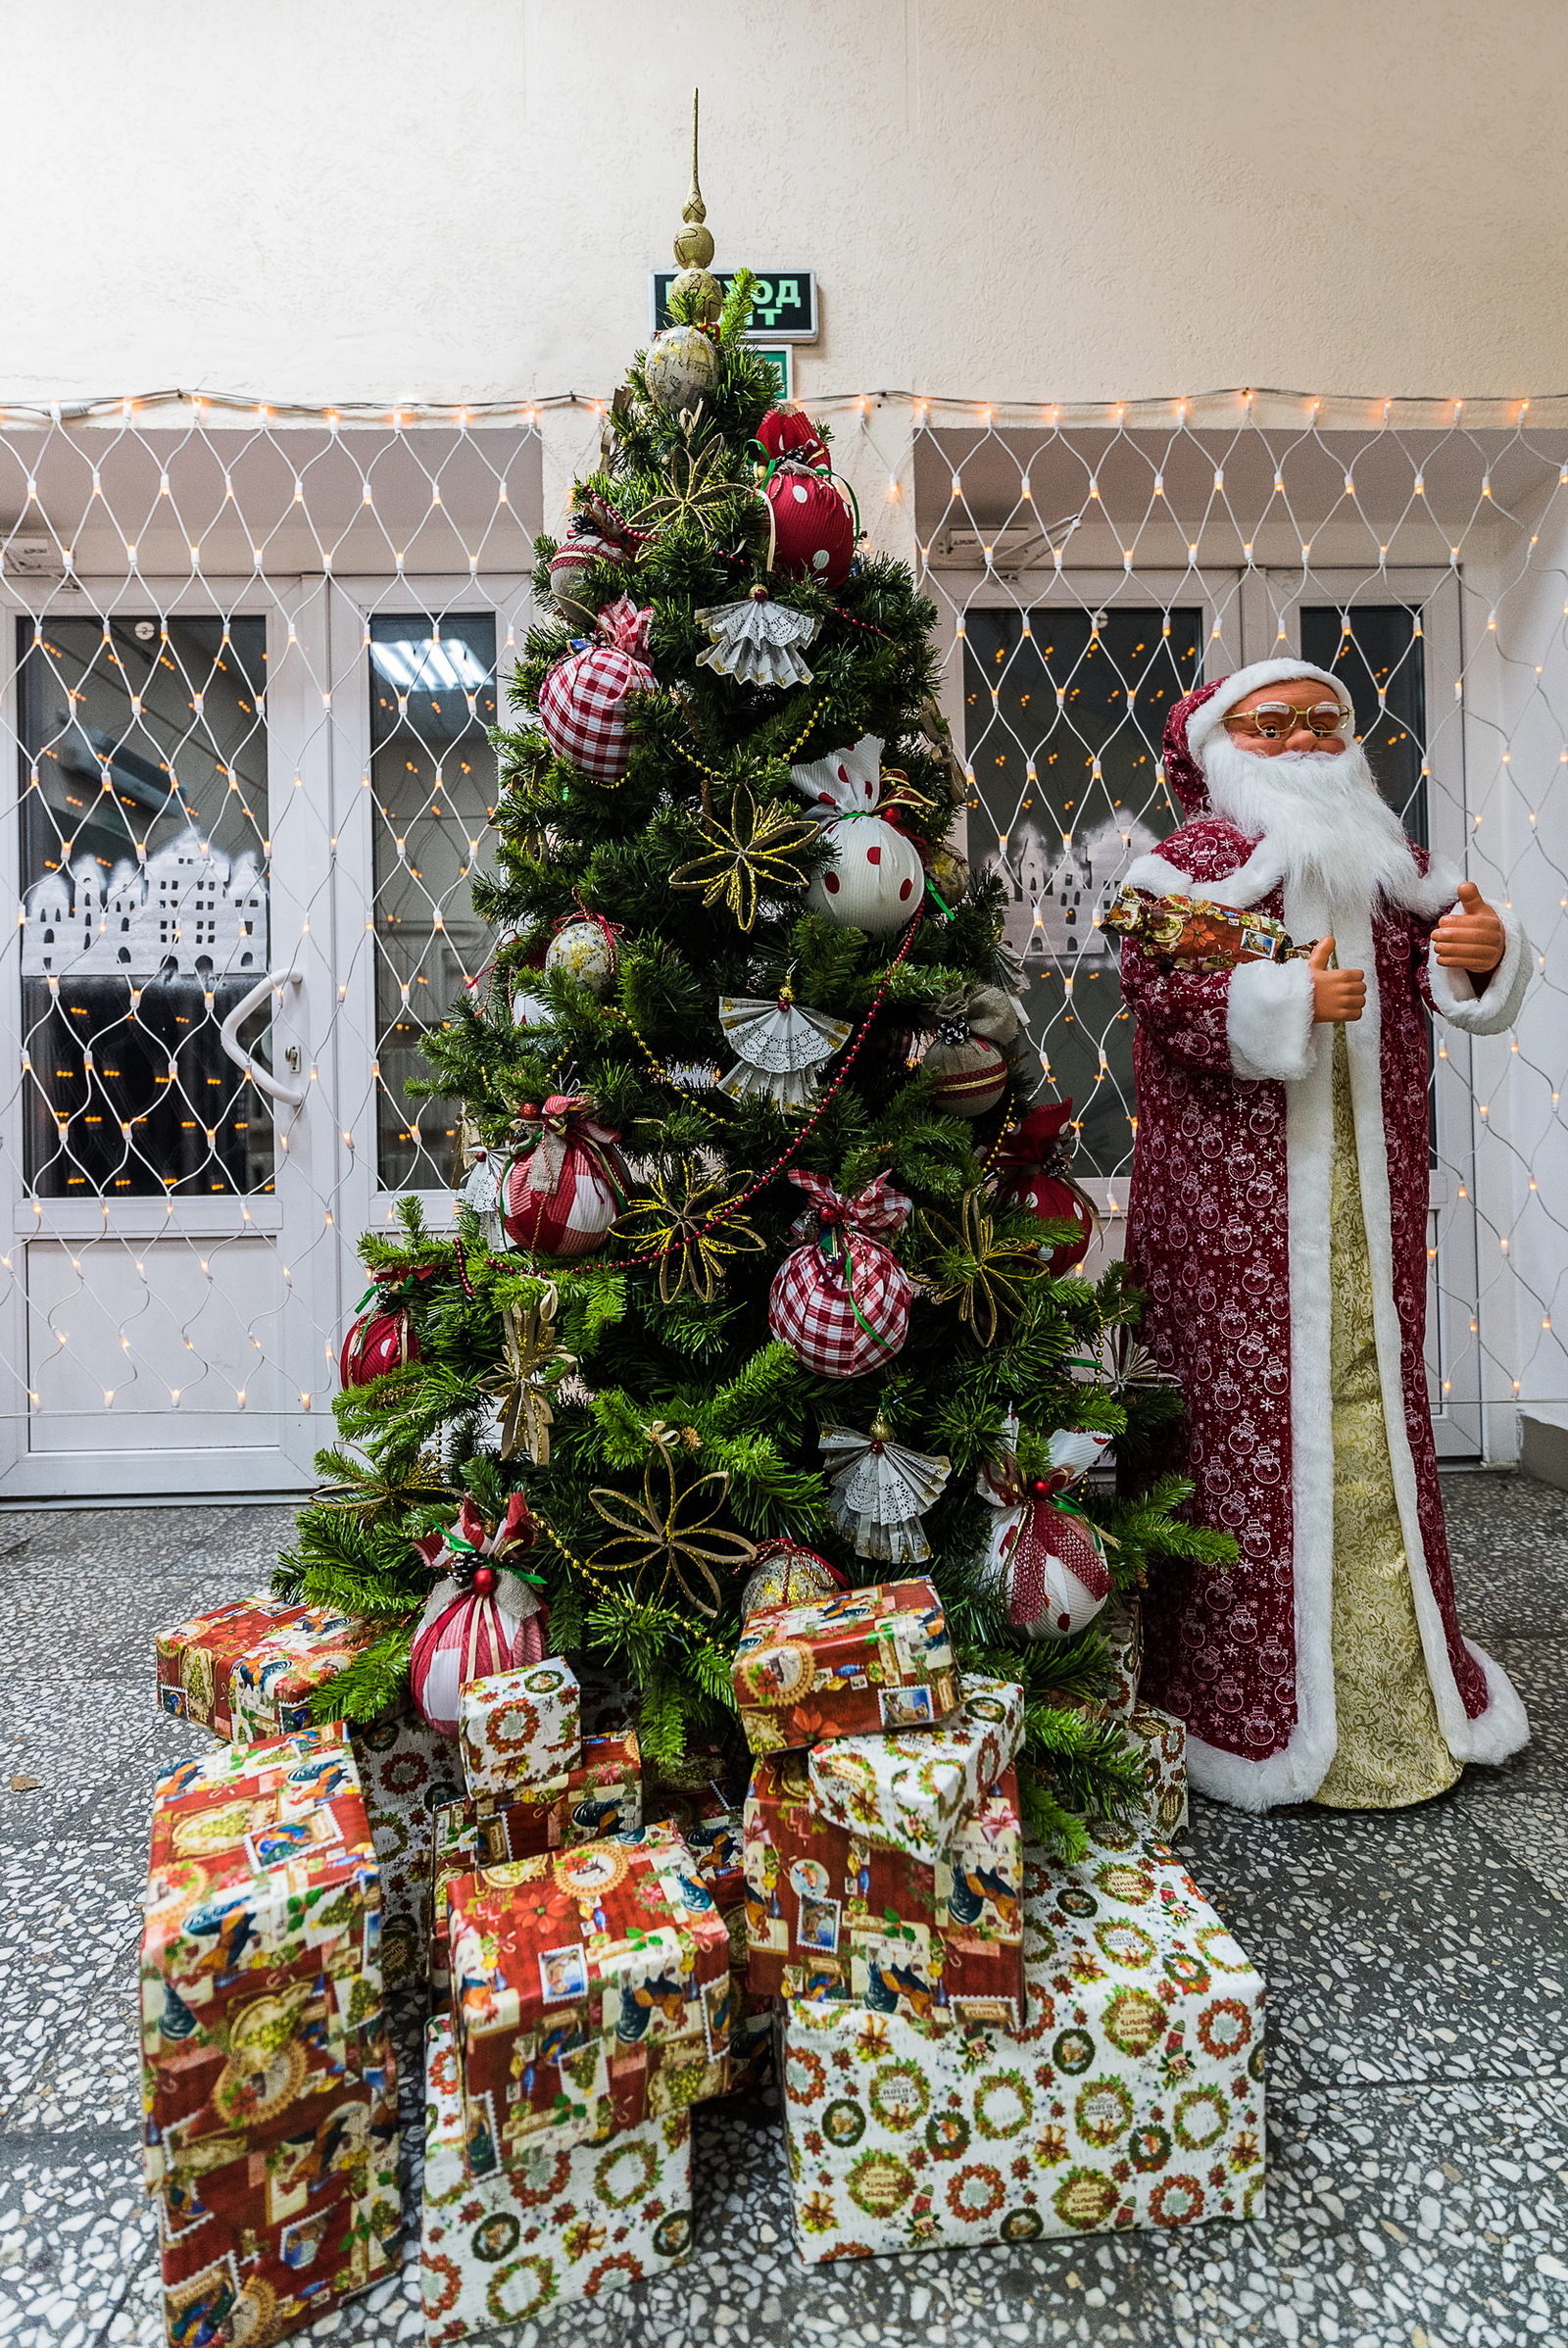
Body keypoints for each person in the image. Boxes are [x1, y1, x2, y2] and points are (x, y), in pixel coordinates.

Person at [1119, 661, 1531, 1811]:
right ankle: (1241, 1703)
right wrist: (1282, 999)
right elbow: (1160, 987)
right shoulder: (1187, 870)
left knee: (1372, 1422)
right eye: (1274, 722)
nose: (1303, 739)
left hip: (1365, 1212)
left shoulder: (1382, 860)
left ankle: (1395, 1690)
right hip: (1231, 1228)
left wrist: (1481, 955)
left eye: (1322, 721)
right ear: (1221, 745)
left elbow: (1455, 961)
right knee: (1236, 1441)